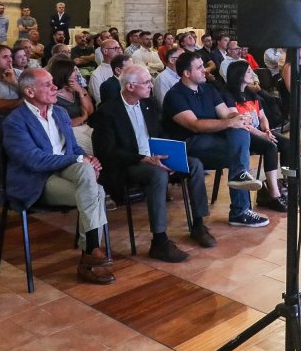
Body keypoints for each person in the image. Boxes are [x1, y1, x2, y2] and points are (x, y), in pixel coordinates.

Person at [90, 64, 217, 262]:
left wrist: (170, 151)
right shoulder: (107, 111)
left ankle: (198, 224)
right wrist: (143, 158)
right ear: (130, 86)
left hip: (155, 156)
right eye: (147, 82)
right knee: (156, 174)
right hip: (128, 164)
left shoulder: (149, 105)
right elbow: (106, 151)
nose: (151, 85)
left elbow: (160, 133)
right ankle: (159, 240)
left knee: (194, 165)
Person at [2, 68, 114, 285]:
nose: (55, 88)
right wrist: (79, 161)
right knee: (96, 191)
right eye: (47, 84)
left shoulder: (60, 113)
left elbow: (73, 149)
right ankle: (89, 254)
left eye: (53, 82)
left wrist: (87, 160)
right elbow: (34, 161)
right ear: (30, 91)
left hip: (65, 170)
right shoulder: (15, 122)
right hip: (36, 179)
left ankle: (91, 252)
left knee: (86, 172)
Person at [162, 51, 268, 228]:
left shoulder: (208, 89)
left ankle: (240, 188)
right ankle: (239, 211)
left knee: (239, 132)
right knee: (238, 152)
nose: (205, 70)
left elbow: (226, 113)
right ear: (186, 73)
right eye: (199, 68)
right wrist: (230, 122)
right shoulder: (175, 95)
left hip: (212, 142)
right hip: (189, 144)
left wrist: (239, 117)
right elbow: (195, 125)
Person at [224, 59, 292, 213]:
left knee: (287, 144)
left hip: (260, 131)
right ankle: (274, 194)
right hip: (244, 134)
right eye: (248, 71)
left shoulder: (250, 93)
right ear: (238, 74)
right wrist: (262, 135)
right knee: (270, 147)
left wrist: (267, 130)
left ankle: (286, 183)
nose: (252, 74)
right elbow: (240, 122)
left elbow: (262, 116)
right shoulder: (228, 95)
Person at [48, 57, 93, 128]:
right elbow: (61, 123)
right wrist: (83, 117)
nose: (77, 73)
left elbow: (90, 111)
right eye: (73, 70)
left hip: (85, 127)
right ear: (63, 73)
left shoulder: (78, 89)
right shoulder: (53, 95)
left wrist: (81, 91)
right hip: (69, 131)